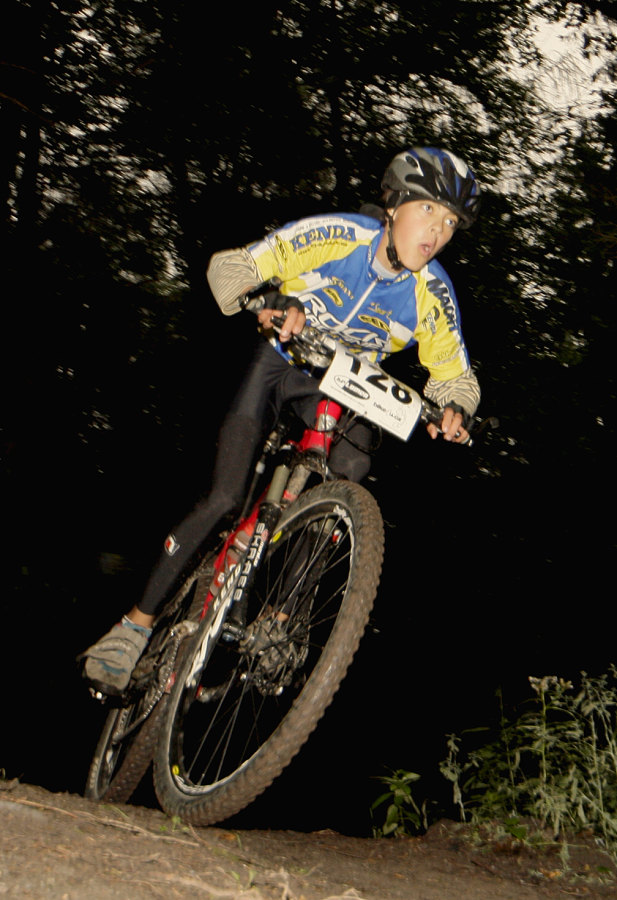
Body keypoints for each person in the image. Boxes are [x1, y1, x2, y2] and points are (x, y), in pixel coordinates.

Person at [81, 146, 482, 695]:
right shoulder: (337, 235)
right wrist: (265, 299)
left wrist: (455, 409)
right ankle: (133, 628)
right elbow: (233, 266)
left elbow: (455, 377)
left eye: (450, 221)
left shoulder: (432, 292)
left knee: (349, 473)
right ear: (392, 206)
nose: (437, 230)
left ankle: (281, 620)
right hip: (280, 365)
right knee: (226, 497)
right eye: (428, 210)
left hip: (346, 386)